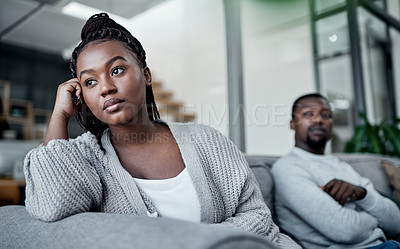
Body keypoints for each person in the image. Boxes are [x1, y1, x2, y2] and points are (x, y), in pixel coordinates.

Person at [23, 13, 300, 248]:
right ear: (81, 94)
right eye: (90, 82)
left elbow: (257, 216)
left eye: (117, 70)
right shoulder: (86, 159)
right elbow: (53, 205)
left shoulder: (206, 140)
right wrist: (59, 115)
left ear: (145, 75)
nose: (106, 86)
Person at [271, 93, 400, 249]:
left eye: (326, 115)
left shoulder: (342, 166)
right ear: (293, 124)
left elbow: (396, 223)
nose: (319, 120)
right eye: (308, 114)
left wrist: (362, 194)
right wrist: (376, 217)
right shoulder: (287, 168)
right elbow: (347, 231)